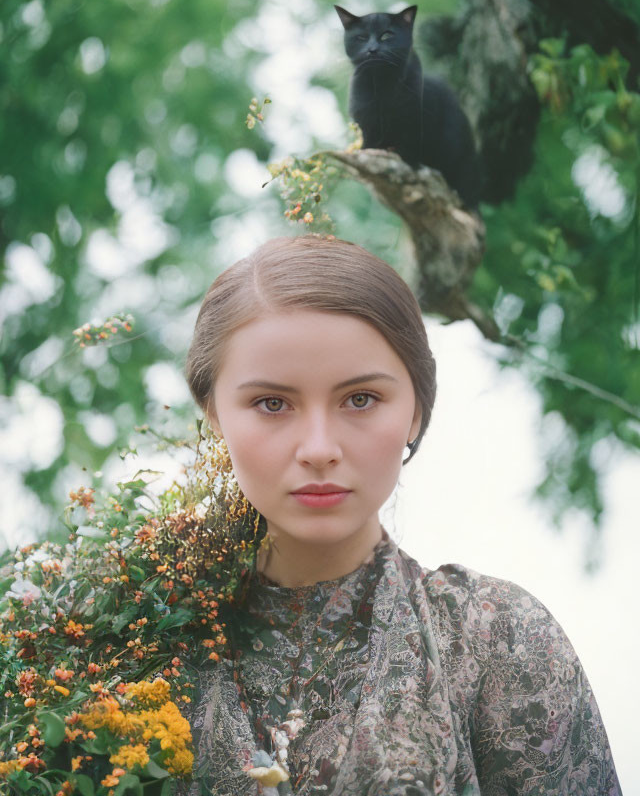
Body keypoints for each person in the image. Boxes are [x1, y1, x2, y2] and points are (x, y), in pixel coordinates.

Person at [181, 234, 621, 795]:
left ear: (416, 411)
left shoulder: (497, 640)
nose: (319, 447)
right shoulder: (126, 646)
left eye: (360, 399)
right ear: (214, 414)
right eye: (272, 403)